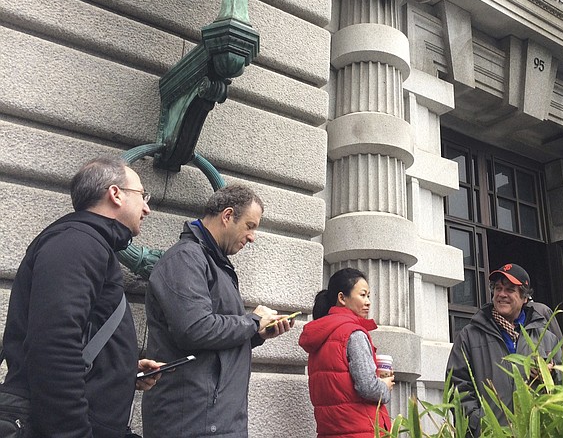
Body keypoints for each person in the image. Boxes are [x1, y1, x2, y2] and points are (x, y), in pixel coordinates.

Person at [0, 156, 162, 437]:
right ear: (115, 194)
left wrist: (122, 370)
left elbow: (76, 340)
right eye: (142, 195)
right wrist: (72, 432)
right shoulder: (78, 242)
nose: (147, 208)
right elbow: (54, 345)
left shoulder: (86, 242)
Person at [142, 184, 293, 437]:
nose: (253, 237)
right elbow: (194, 329)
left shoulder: (213, 262)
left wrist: (257, 334)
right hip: (194, 422)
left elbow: (214, 340)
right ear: (227, 216)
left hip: (212, 420)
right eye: (250, 226)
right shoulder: (186, 258)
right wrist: (253, 322)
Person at [446, 263, 562, 436]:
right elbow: (456, 385)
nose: (501, 294)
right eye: (498, 288)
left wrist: (549, 376)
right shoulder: (469, 335)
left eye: (509, 290)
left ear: (524, 297)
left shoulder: (546, 337)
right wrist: (479, 423)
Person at [299, 268, 393, 438]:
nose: (368, 302)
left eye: (368, 296)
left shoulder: (321, 335)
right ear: (342, 298)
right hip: (361, 431)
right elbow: (368, 387)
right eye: (363, 295)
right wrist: (384, 386)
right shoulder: (354, 334)